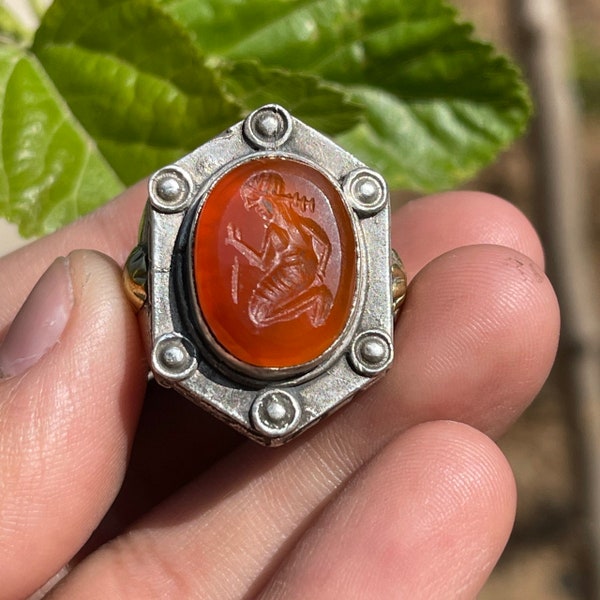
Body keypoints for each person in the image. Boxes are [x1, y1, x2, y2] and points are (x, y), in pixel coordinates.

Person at [0, 181, 559, 599]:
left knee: (267, 311)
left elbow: (292, 255)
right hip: (241, 319)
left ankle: (316, 310)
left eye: (268, 210)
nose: (264, 213)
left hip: (282, 320)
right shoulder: (286, 224)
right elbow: (261, 258)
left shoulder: (301, 224)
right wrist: (237, 255)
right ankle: (312, 310)